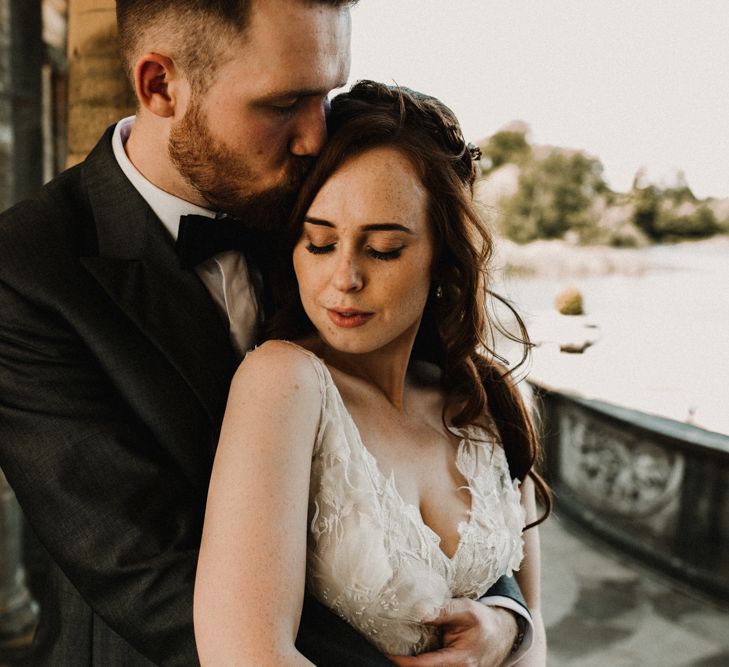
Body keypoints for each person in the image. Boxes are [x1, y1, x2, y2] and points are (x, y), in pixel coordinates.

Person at [0, 1, 531, 665]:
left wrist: (504, 617)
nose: (315, 136)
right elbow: (148, 572)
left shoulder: (325, 201)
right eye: (285, 103)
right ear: (160, 85)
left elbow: (432, 466)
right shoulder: (26, 270)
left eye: (326, 94)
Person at [194, 80, 551, 666]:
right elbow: (244, 654)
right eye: (320, 243)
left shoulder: (486, 401)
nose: (345, 278)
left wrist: (505, 629)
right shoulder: (283, 382)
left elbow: (535, 629)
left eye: (383, 249)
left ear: (442, 256)